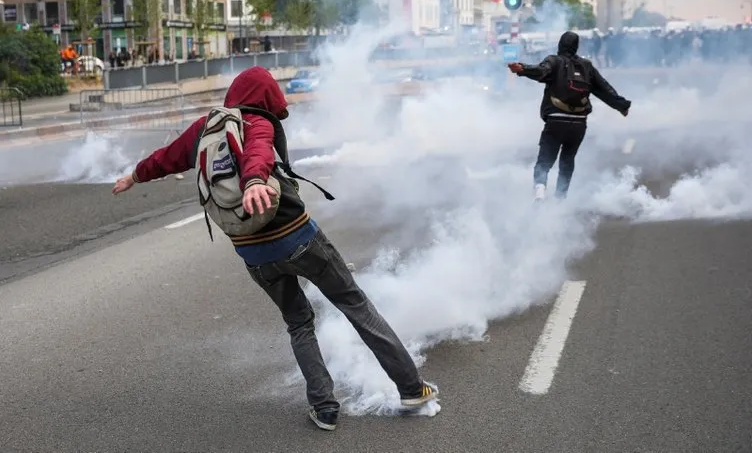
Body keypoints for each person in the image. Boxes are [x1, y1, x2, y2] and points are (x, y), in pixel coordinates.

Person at [111, 66, 438, 431]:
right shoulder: (256, 121)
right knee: (354, 304)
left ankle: (325, 408)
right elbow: (258, 154)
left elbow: (167, 157)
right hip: (297, 237)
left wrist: (135, 175)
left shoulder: (206, 128)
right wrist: (252, 181)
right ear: (265, 97)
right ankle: (411, 389)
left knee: (298, 323)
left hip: (253, 252)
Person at [508, 31, 631, 201]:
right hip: (579, 123)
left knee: (545, 159)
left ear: (560, 44)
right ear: (576, 46)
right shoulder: (586, 66)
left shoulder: (554, 61)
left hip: (556, 120)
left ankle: (540, 192)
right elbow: (604, 89)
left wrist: (523, 69)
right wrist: (622, 106)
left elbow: (541, 71)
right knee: (567, 160)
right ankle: (560, 198)